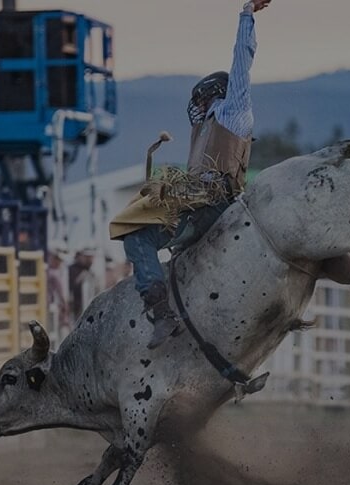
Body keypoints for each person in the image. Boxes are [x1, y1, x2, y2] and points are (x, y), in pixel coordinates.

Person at [109, 0, 271, 349]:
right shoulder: (209, 129)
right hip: (202, 203)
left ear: (214, 95)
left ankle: (161, 314)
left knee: (136, 235)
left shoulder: (232, 111)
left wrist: (246, 16)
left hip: (210, 206)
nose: (197, 107)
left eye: (200, 100)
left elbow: (241, 62)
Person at [68, 248, 96, 321]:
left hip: (87, 308)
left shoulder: (90, 273)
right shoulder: (71, 269)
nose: (89, 260)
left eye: (90, 257)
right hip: (74, 308)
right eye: (86, 257)